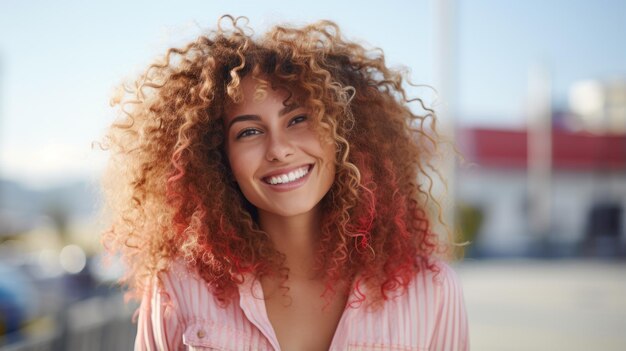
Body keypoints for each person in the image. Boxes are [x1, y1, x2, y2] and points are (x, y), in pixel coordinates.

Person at [101, 15, 469, 351]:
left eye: (298, 119)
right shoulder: (179, 288)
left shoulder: (432, 292)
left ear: (343, 131)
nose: (278, 149)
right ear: (216, 156)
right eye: (248, 131)